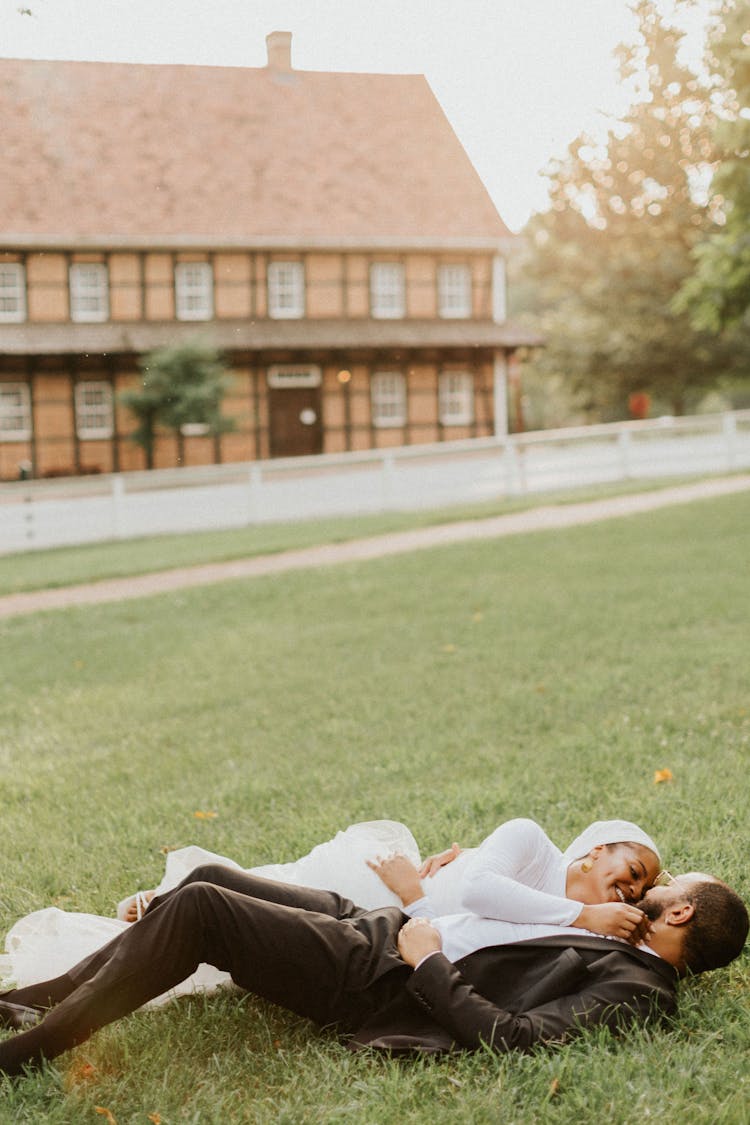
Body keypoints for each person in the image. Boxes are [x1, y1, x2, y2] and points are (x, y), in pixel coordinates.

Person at [0, 863, 746, 1077]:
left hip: (378, 973)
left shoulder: (639, 990)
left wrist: (426, 966)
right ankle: (29, 1002)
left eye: (672, 883)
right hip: (373, 924)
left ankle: (24, 1051)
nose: (658, 883)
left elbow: (516, 1036)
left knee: (202, 911)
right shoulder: (614, 925)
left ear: (678, 914)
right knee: (205, 877)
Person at [1, 819, 660, 999]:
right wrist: (435, 879)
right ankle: (64, 983)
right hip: (386, 901)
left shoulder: (565, 927)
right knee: (209, 879)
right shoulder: (535, 848)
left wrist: (425, 888)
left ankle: (154, 928)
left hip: (395, 918)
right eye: (626, 872)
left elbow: (454, 922)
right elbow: (480, 893)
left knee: (210, 905)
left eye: (638, 892)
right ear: (596, 848)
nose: (625, 892)